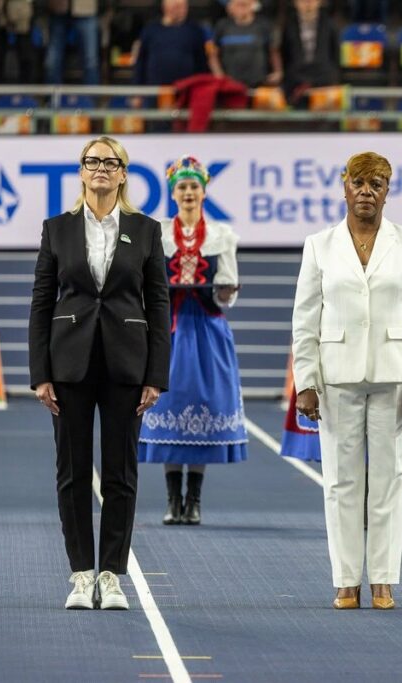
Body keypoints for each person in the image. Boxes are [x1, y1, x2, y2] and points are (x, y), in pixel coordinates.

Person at [291, 152, 402, 610]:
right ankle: (346, 579)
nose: (367, 191)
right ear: (344, 187)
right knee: (340, 482)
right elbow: (304, 317)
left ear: (388, 191)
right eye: (359, 182)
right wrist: (306, 381)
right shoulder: (319, 245)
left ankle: (384, 580)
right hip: (336, 376)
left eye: (377, 183)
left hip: (396, 376)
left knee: (391, 478)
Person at [29, 136, 171, 610]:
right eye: (93, 162)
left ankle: (110, 575)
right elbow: (41, 303)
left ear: (124, 174)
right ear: (82, 171)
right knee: (70, 473)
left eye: (111, 163)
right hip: (68, 364)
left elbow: (159, 305)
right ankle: (79, 573)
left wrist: (156, 374)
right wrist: (39, 373)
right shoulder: (57, 229)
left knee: (120, 473)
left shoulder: (147, 230)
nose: (101, 169)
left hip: (126, 364)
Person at [137, 156, 247, 525]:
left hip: (205, 328)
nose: (188, 193)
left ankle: (194, 499)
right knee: (168, 403)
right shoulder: (157, 233)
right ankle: (172, 499)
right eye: (182, 187)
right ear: (173, 193)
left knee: (203, 405)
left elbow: (227, 293)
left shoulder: (222, 235)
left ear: (203, 191)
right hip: (168, 328)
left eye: (193, 187)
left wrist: (224, 291)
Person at [132, 0, 210, 86]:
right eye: (176, 6)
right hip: (155, 90)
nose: (181, 10)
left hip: (186, 90)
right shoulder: (151, 30)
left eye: (183, 6)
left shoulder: (194, 30)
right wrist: (137, 91)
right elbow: (141, 62)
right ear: (165, 7)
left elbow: (202, 63)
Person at [208, 0, 282, 88]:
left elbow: (273, 51)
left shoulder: (264, 26)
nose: (241, 8)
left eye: (244, 5)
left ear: (253, 5)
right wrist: (219, 75)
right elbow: (213, 55)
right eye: (237, 5)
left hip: (259, 83)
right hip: (230, 84)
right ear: (230, 7)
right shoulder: (222, 26)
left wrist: (278, 72)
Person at [279, 0, 340, 104]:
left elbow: (335, 54)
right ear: (295, 3)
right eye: (303, 1)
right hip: (296, 80)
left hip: (323, 78)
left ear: (320, 2)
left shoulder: (330, 25)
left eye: (311, 1)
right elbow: (285, 54)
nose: (308, 4)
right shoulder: (288, 25)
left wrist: (333, 77)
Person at [45, 0, 100, 85]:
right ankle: (53, 97)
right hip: (57, 9)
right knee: (52, 61)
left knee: (90, 60)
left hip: (86, 9)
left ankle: (90, 97)